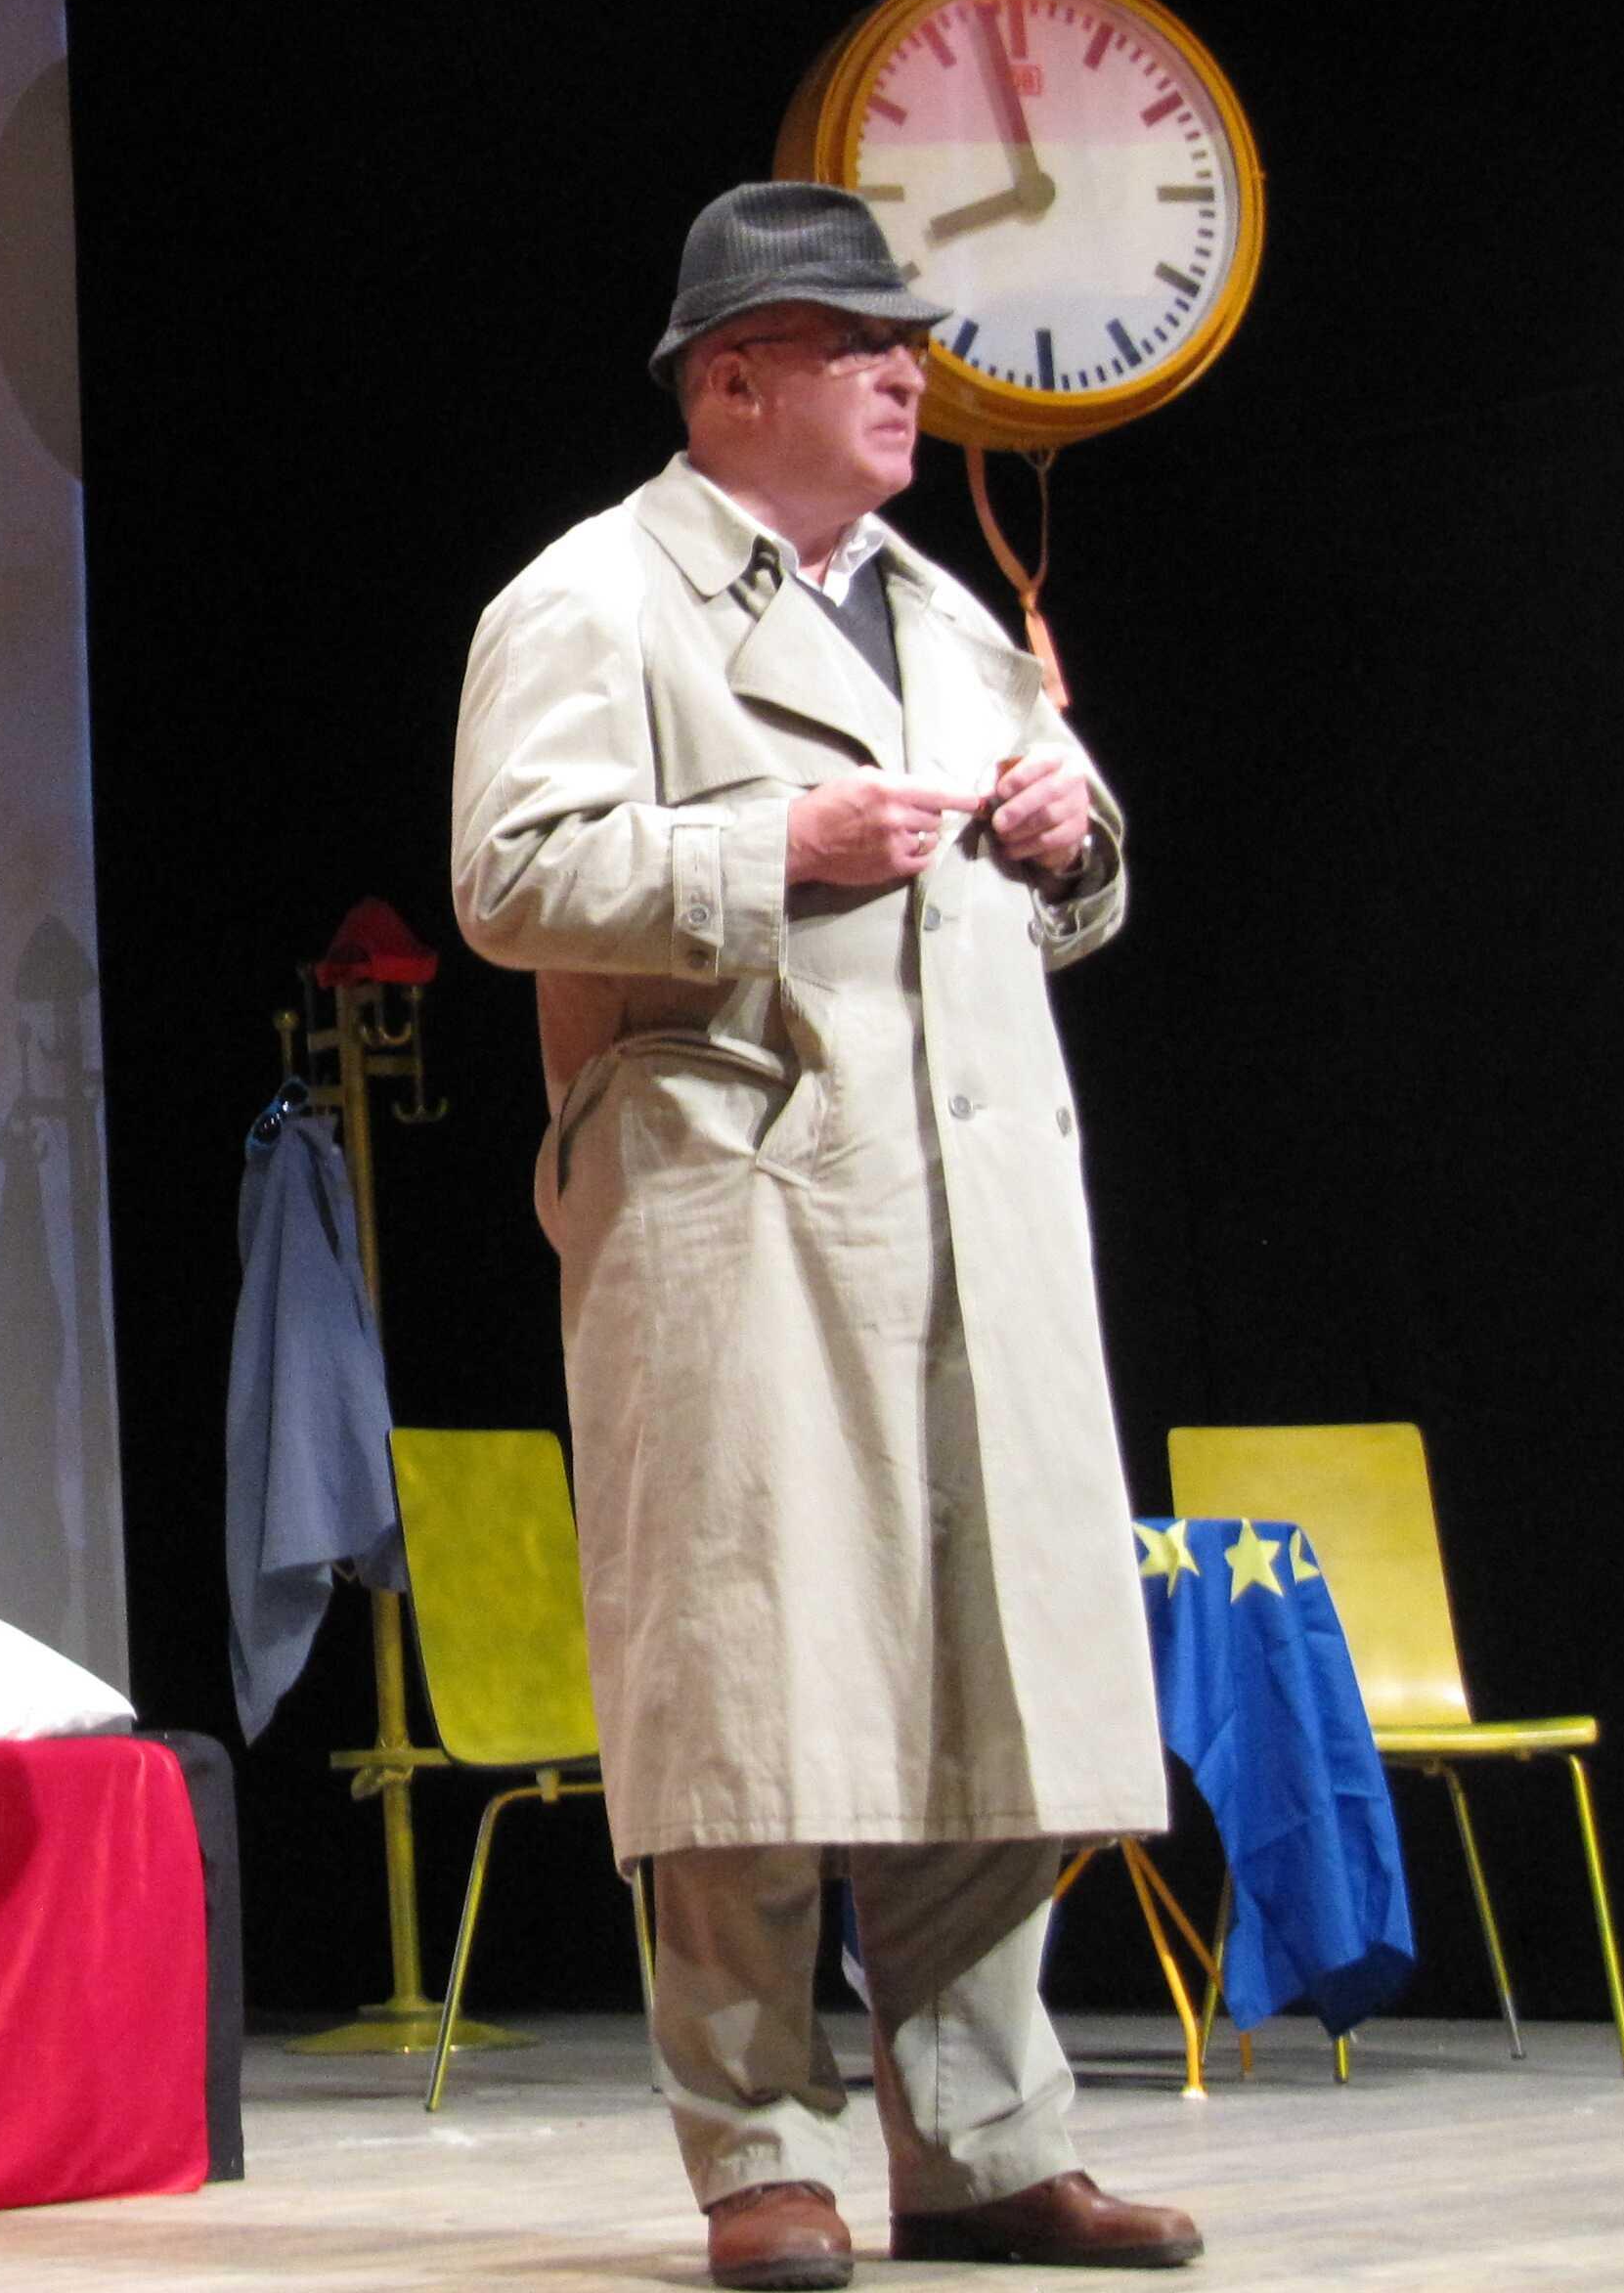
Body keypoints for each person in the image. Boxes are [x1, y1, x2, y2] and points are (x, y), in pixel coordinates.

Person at [447, 184, 1205, 2290]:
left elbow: (1074, 873)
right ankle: (758, 2151)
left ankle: (984, 2143)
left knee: (989, 1668)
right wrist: (766, 843)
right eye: (857, 343)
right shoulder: (596, 595)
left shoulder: (944, 610)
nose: (904, 376)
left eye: (907, 342)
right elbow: (509, 875)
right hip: (744, 1194)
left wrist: (1070, 836)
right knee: (752, 1683)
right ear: (731, 379)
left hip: (971, 1195)